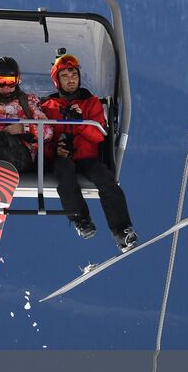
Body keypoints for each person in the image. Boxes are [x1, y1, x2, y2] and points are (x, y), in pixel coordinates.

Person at [40, 50, 137, 252]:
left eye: (74, 75)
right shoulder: (48, 107)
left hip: (87, 157)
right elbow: (43, 136)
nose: (71, 80)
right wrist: (54, 150)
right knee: (65, 174)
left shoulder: (91, 103)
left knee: (105, 179)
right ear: (57, 81)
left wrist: (80, 121)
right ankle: (81, 219)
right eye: (65, 76)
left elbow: (98, 136)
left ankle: (122, 230)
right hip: (62, 158)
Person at [0, 55, 49, 177]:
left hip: (21, 156)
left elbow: (48, 132)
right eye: (1, 81)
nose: (6, 86)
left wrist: (24, 128)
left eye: (11, 82)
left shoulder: (29, 101)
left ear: (17, 80)